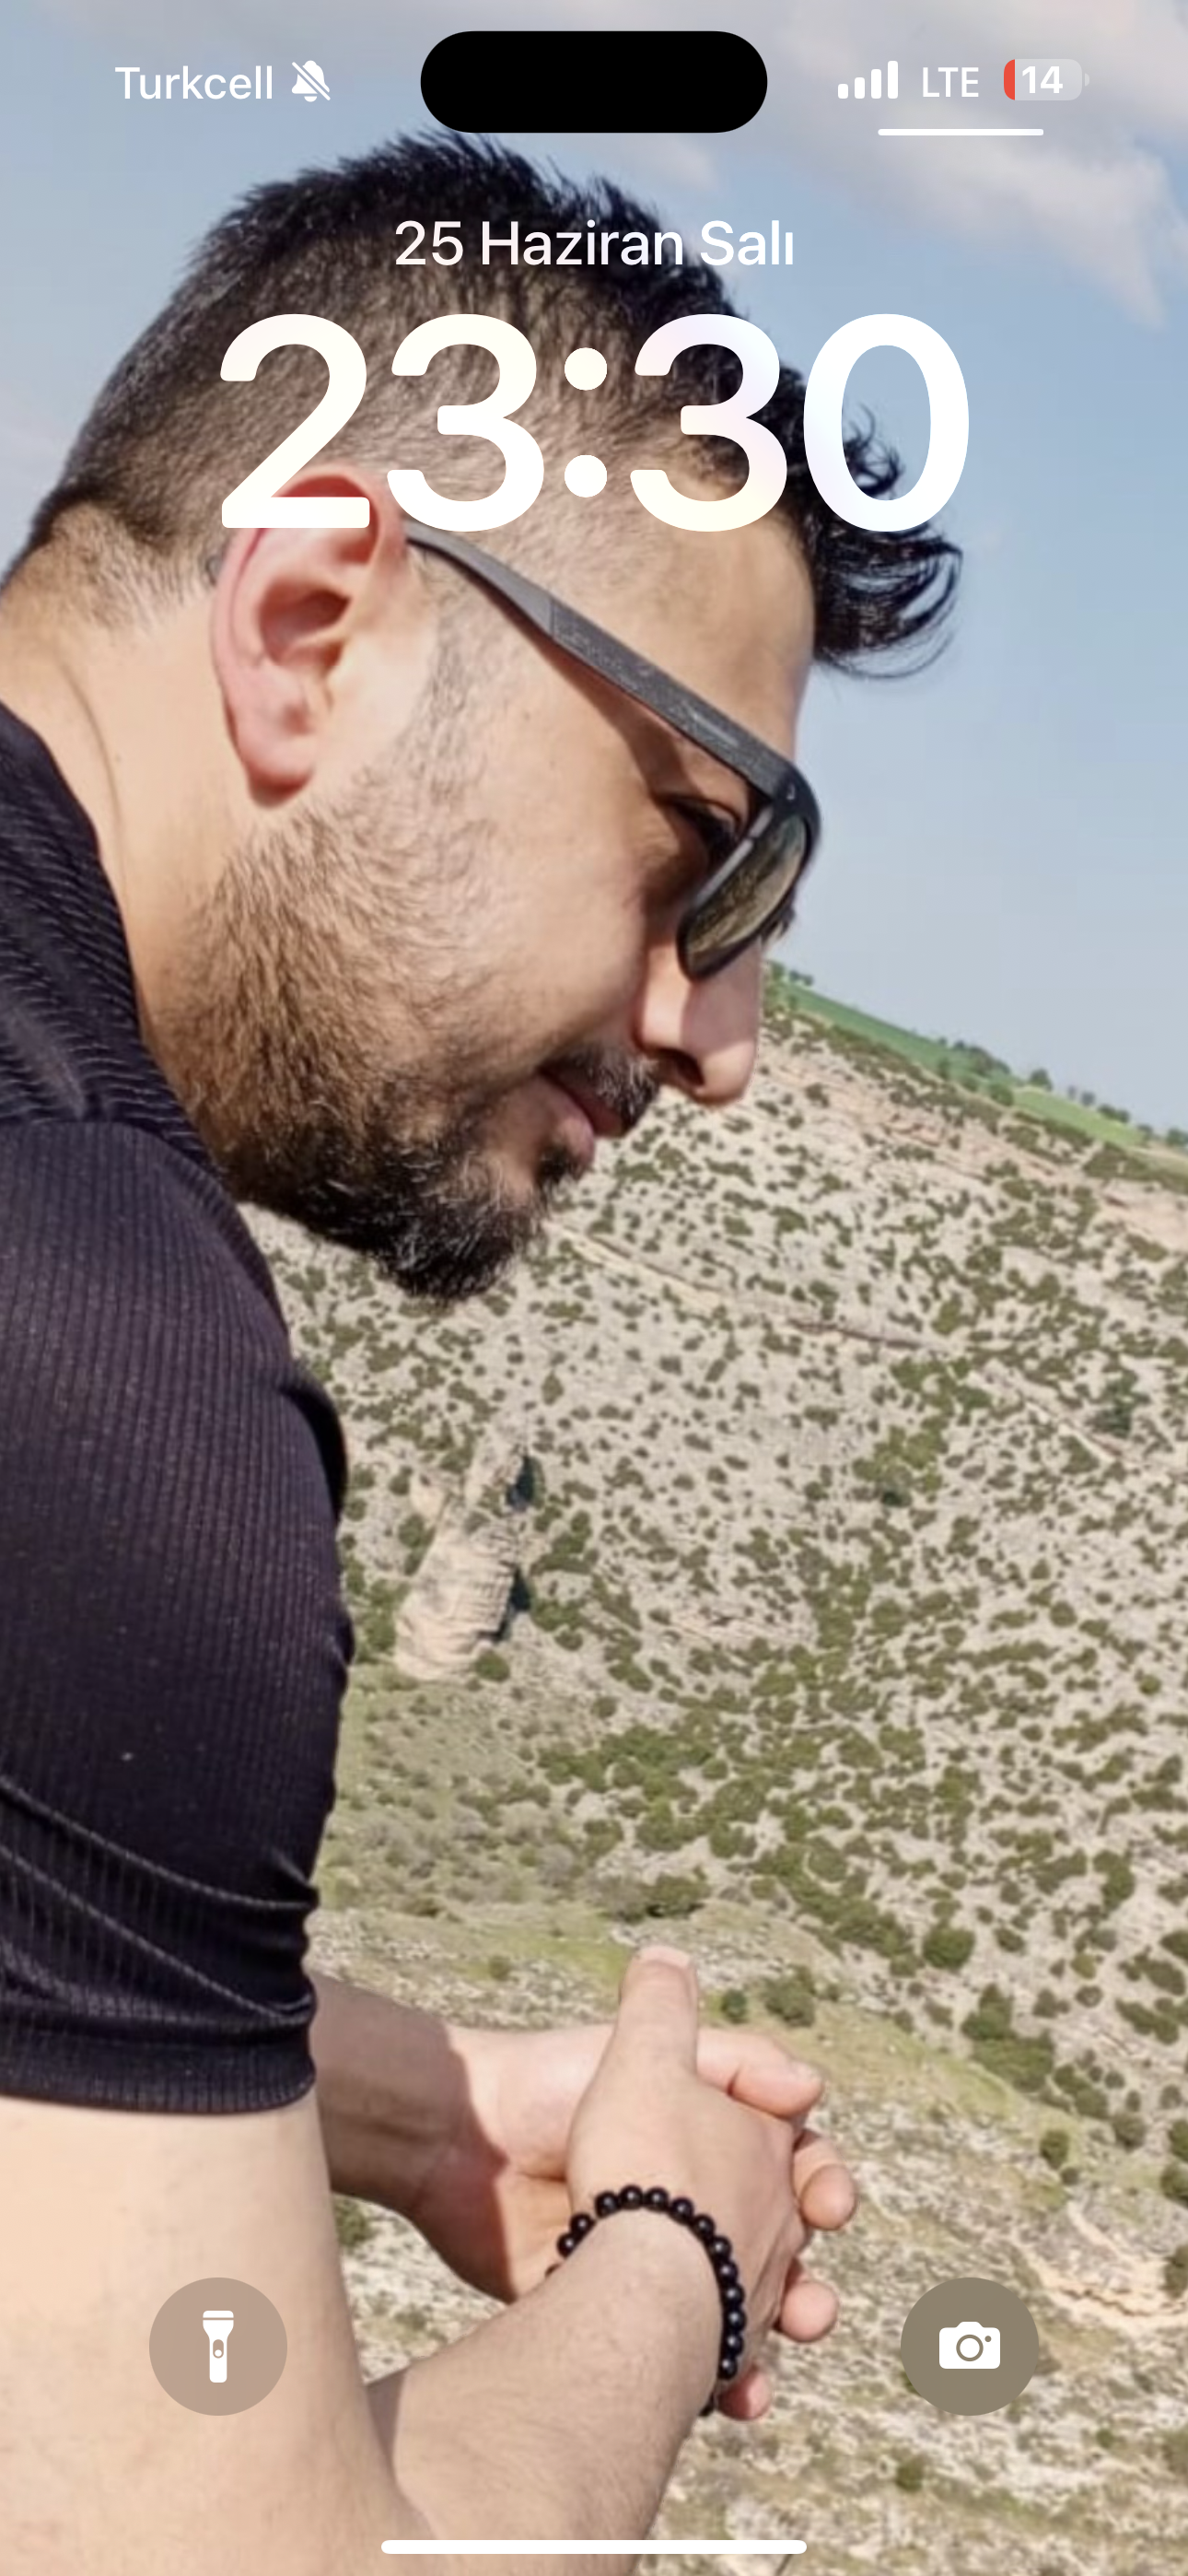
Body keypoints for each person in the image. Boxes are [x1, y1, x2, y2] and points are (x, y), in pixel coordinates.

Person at [0, 135, 959, 2574]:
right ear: (314, 618)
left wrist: (399, 2104)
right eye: (714, 853)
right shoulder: (103, 1367)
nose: (724, 1033)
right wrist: (673, 2255)